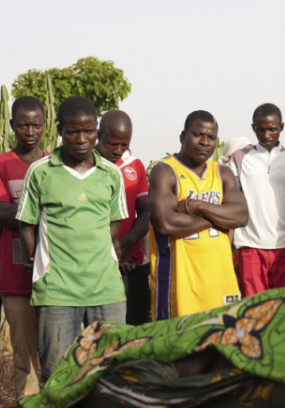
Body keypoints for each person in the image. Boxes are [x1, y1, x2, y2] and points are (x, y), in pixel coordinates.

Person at [18, 97, 128, 380]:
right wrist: (40, 265)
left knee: (110, 370)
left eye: (89, 131)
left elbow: (113, 222)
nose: (81, 139)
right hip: (57, 291)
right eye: (73, 131)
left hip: (106, 288)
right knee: (57, 374)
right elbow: (27, 225)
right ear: (60, 130)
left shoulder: (112, 174)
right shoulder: (41, 172)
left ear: (98, 132)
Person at [0, 96, 47, 401]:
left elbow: (10, 211)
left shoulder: (54, 163)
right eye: (23, 124)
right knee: (25, 357)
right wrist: (45, 211)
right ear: (12, 126)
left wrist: (18, 209)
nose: (29, 131)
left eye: (35, 124)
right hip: (16, 276)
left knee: (59, 350)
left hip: (56, 276)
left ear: (45, 126)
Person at [150, 111, 248, 319]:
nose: (205, 142)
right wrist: (218, 216)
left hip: (220, 282)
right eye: (198, 135)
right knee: (178, 348)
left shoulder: (223, 173)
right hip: (179, 283)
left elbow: (241, 216)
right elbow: (167, 223)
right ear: (182, 136)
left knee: (222, 345)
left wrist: (198, 206)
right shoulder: (165, 171)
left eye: (211, 138)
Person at [230, 104, 285, 297]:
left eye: (272, 130)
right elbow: (232, 200)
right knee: (253, 310)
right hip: (250, 246)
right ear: (253, 128)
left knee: (284, 310)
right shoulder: (239, 158)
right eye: (261, 130)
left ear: (281, 128)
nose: (267, 135)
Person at [96, 110, 151, 326]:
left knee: (136, 333)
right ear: (99, 134)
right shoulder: (85, 165)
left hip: (133, 263)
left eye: (124, 144)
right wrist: (113, 253)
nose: (118, 151)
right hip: (98, 266)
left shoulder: (134, 165)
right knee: (104, 337)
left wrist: (128, 242)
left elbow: (146, 210)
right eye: (112, 144)